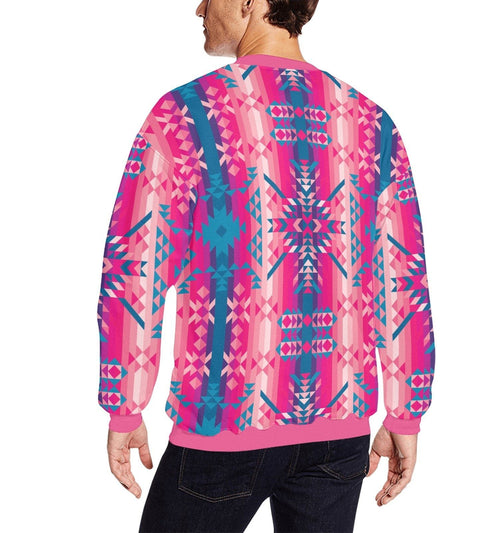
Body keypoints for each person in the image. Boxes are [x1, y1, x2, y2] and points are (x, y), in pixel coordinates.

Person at [96, 1, 436, 531]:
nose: (199, 7)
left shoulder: (186, 115)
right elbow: (402, 277)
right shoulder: (372, 123)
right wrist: (404, 412)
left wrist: (125, 405)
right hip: (339, 434)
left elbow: (134, 267)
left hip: (221, 426)